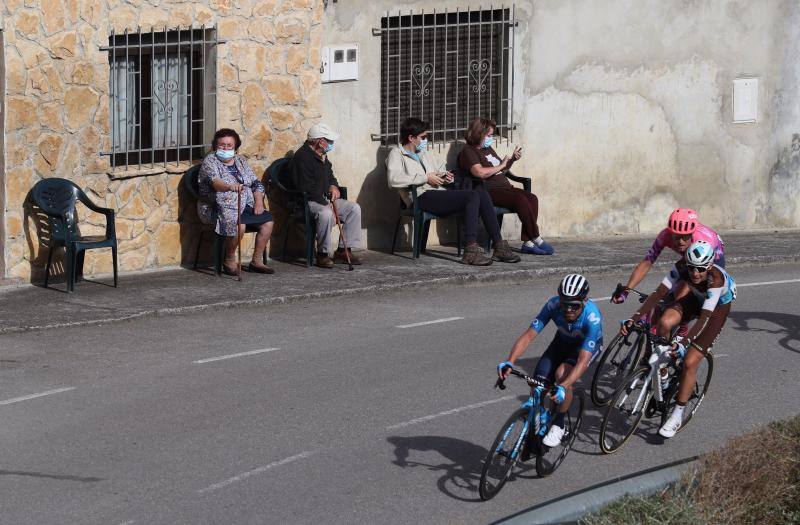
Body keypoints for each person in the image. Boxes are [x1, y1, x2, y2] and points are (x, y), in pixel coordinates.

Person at [620, 240, 736, 438]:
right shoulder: (682, 267)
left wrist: (683, 343)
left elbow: (704, 318)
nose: (695, 273)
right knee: (664, 322)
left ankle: (677, 414)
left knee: (691, 361)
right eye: (691, 268)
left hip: (716, 309)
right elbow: (658, 294)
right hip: (696, 297)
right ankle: (664, 372)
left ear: (709, 266)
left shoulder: (716, 280)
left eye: (700, 269)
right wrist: (634, 318)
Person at [386, 117, 521, 265]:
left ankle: (499, 245)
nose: (426, 140)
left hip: (437, 192)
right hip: (419, 197)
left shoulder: (424, 153)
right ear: (411, 138)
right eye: (423, 137)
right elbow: (394, 180)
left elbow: (439, 170)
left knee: (480, 192)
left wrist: (446, 176)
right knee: (471, 196)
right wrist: (425, 178)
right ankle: (470, 250)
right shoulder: (396, 154)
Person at [497, 274, 602, 447]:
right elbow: (529, 335)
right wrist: (510, 361)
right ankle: (539, 420)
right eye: (564, 304)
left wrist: (562, 386)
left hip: (583, 348)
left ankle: (559, 424)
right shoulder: (553, 304)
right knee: (538, 386)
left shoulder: (593, 318)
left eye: (574, 306)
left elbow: (583, 361)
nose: (568, 310)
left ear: (585, 301)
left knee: (562, 375)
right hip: (561, 342)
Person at [458, 117, 554, 255]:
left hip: (505, 187)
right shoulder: (469, 151)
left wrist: (511, 161)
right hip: (489, 190)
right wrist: (502, 165)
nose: (491, 138)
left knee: (532, 198)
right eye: (489, 135)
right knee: (520, 200)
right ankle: (536, 238)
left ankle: (527, 242)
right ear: (479, 134)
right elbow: (479, 173)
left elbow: (500, 169)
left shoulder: (487, 148)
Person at [198, 128, 275, 275]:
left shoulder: (240, 160)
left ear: (235, 147)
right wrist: (229, 187)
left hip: (244, 203)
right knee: (239, 225)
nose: (225, 148)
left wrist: (258, 200)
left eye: (229, 145)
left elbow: (256, 183)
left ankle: (256, 261)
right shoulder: (210, 161)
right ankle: (229, 259)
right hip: (218, 205)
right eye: (222, 145)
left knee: (268, 221)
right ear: (215, 146)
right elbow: (215, 182)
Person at [612, 208, 725, 303]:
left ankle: (683, 323)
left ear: (691, 233)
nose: (680, 241)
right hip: (689, 256)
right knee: (667, 295)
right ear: (670, 233)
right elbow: (646, 263)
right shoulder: (664, 235)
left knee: (686, 293)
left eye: (685, 236)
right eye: (676, 236)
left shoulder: (703, 241)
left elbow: (695, 276)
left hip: (713, 256)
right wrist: (626, 290)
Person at [290, 123, 363, 269]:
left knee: (353, 208)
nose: (331, 144)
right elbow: (306, 188)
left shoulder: (322, 156)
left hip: (323, 199)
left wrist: (333, 186)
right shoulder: (302, 157)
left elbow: (331, 176)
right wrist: (326, 204)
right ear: (320, 141)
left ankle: (343, 250)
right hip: (307, 202)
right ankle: (322, 254)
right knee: (326, 214)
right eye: (329, 141)